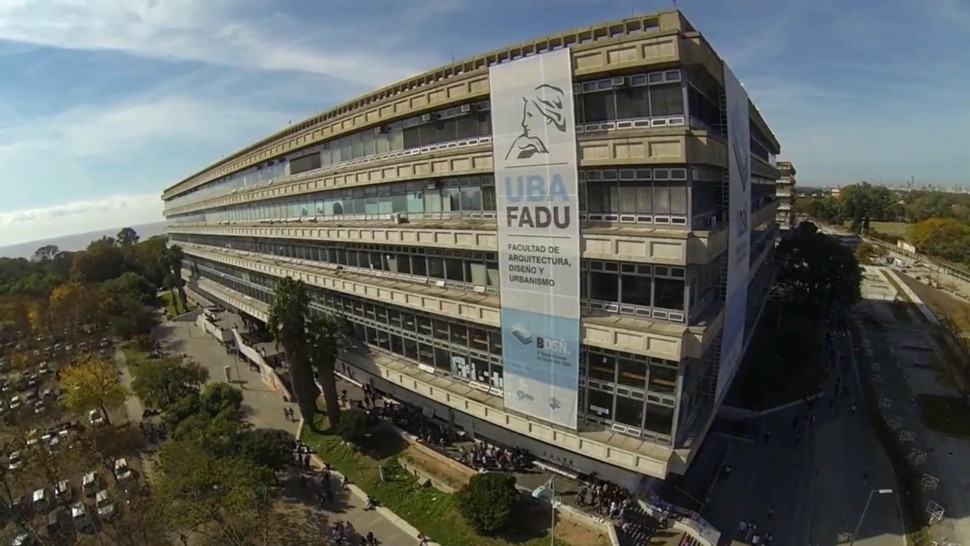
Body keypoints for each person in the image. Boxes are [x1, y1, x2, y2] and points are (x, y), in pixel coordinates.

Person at [504, 84, 567, 160]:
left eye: (530, 115)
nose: (524, 123)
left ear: (548, 118)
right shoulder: (528, 150)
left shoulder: (562, 151)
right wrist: (514, 150)